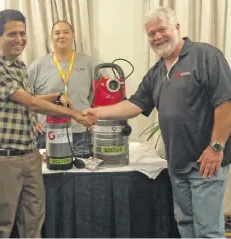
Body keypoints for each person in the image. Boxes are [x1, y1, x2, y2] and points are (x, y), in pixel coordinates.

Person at [84, 7, 231, 238]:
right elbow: (135, 104)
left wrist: (216, 147)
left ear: (178, 28)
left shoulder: (205, 55)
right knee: (186, 226)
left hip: (205, 163)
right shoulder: (157, 71)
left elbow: (226, 102)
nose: (157, 37)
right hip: (177, 165)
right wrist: (98, 112)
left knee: (207, 232)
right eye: (151, 33)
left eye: (162, 29)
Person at [0, 9, 95, 238]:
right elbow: (30, 102)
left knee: (34, 222)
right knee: (3, 226)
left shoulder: (20, 67)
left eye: (22, 33)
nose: (19, 39)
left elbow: (26, 99)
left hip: (30, 156)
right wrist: (74, 114)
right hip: (4, 160)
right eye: (12, 34)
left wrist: (57, 95)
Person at [28, 20, 95, 156]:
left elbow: (98, 94)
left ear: (73, 36)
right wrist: (32, 121)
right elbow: (25, 98)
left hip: (81, 132)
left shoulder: (88, 62)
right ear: (51, 37)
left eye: (66, 32)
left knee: (82, 175)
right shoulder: (38, 65)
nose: (61, 36)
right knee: (51, 174)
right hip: (48, 132)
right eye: (57, 33)